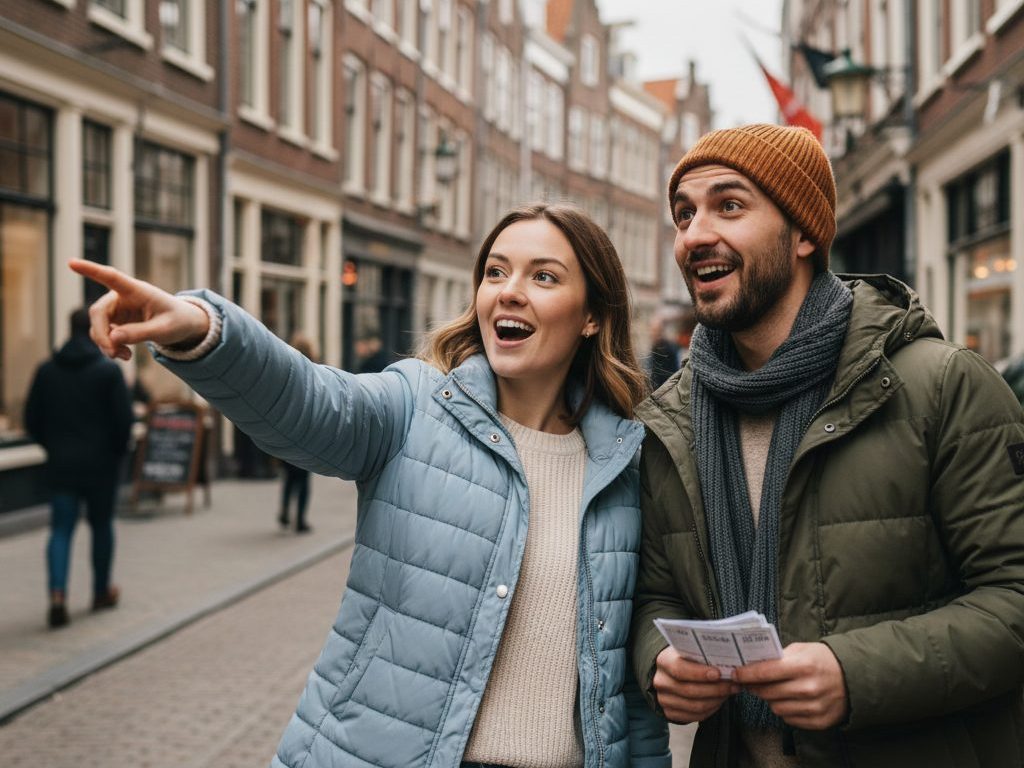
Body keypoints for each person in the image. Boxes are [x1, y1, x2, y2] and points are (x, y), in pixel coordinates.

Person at [71, 202, 670, 768]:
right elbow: (305, 399)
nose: (508, 290)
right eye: (495, 271)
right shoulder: (413, 406)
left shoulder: (626, 463)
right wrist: (202, 330)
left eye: (544, 277)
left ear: (592, 314)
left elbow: (628, 692)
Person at [629, 124, 1024, 767]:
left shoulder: (942, 386)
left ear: (805, 233)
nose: (695, 235)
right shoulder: (668, 423)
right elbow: (654, 596)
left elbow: (1013, 599)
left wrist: (855, 675)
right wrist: (660, 660)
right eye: (684, 214)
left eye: (729, 206)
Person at [24, 307, 133, 629]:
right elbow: (123, 423)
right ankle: (101, 592)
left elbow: (32, 419)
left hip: (61, 465)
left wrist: (53, 447)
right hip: (101, 467)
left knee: (60, 530)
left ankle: (57, 596)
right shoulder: (108, 372)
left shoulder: (46, 371)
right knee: (101, 526)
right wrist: (116, 454)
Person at [277, 333, 317, 533]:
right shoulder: (315, 373)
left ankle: (284, 512)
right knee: (303, 480)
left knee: (289, 477)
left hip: (285, 432)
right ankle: (300, 520)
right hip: (306, 433)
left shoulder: (284, 371)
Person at [646, 315, 679, 390]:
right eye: (652, 330)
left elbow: (673, 374)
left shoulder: (669, 350)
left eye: (657, 330)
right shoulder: (653, 349)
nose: (654, 333)